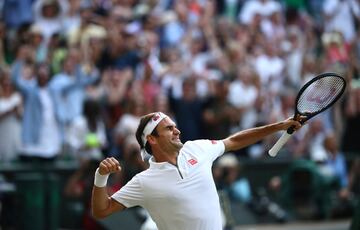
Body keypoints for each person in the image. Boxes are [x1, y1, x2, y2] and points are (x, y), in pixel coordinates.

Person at [91, 111, 304, 229]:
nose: (177, 131)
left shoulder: (197, 148)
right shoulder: (144, 181)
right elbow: (101, 210)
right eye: (169, 128)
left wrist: (277, 126)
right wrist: (100, 177)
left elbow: (234, 141)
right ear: (152, 139)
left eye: (175, 126)